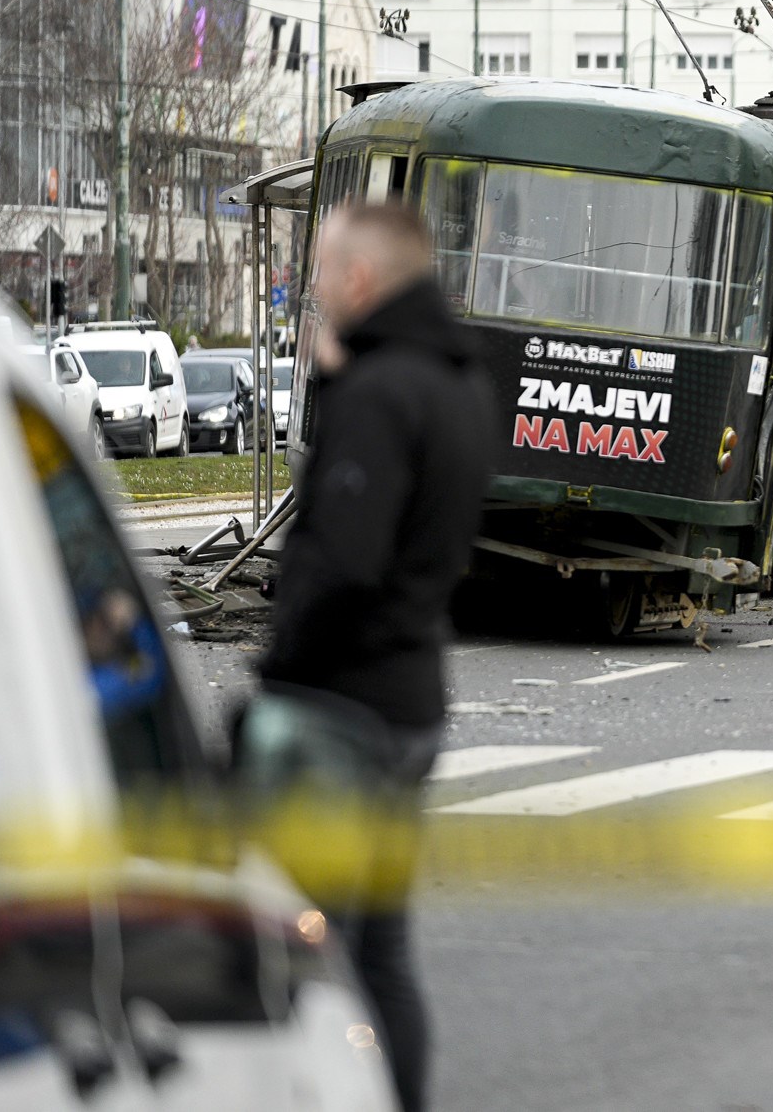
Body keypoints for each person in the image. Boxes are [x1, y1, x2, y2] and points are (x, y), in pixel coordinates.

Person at [254, 200, 494, 1111]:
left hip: (336, 715)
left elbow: (342, 558)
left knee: (297, 948)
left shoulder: (381, 392)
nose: (314, 289)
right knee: (380, 951)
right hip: (411, 700)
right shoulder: (458, 383)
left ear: (358, 280)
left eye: (320, 272)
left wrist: (280, 667)